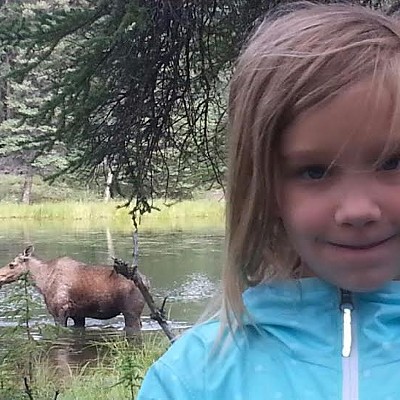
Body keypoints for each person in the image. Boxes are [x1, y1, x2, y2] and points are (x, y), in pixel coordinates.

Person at [138, 2, 400, 399]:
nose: (358, 210)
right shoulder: (193, 379)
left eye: (393, 162)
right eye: (314, 171)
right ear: (263, 189)